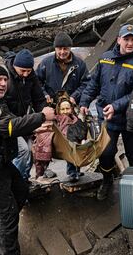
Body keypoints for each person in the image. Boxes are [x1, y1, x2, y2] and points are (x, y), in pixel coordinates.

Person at [0, 64, 55, 254]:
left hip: (2, 164)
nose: (3, 83)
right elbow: (8, 127)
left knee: (21, 192)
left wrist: (35, 128)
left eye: (5, 80)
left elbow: (16, 123)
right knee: (8, 214)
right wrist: (40, 116)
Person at [79, 24, 133, 200]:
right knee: (105, 153)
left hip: (131, 119)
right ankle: (107, 179)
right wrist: (84, 101)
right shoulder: (105, 58)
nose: (129, 43)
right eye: (126, 39)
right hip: (107, 117)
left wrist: (116, 106)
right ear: (118, 39)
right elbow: (94, 84)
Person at [36, 31, 90, 179]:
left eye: (65, 48)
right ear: (55, 49)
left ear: (70, 48)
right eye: (59, 48)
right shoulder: (46, 63)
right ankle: (43, 170)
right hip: (52, 108)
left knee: (74, 136)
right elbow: (36, 82)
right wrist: (44, 95)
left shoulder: (79, 64)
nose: (62, 52)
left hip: (70, 108)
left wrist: (74, 97)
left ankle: (73, 171)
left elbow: (86, 84)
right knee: (45, 138)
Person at [4, 49, 47, 181]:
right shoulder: (5, 78)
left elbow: (38, 99)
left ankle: (24, 180)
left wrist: (44, 115)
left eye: (28, 70)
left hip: (26, 120)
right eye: (22, 70)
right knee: (23, 152)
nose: (25, 74)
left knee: (31, 151)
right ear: (15, 66)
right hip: (10, 123)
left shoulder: (31, 77)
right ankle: (16, 183)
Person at [32, 96, 87, 181]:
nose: (65, 111)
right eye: (63, 109)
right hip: (62, 142)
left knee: (77, 148)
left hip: (74, 140)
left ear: (71, 109)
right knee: (71, 149)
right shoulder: (57, 119)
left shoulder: (75, 119)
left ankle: (76, 171)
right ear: (59, 110)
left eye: (67, 108)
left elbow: (81, 129)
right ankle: (72, 173)